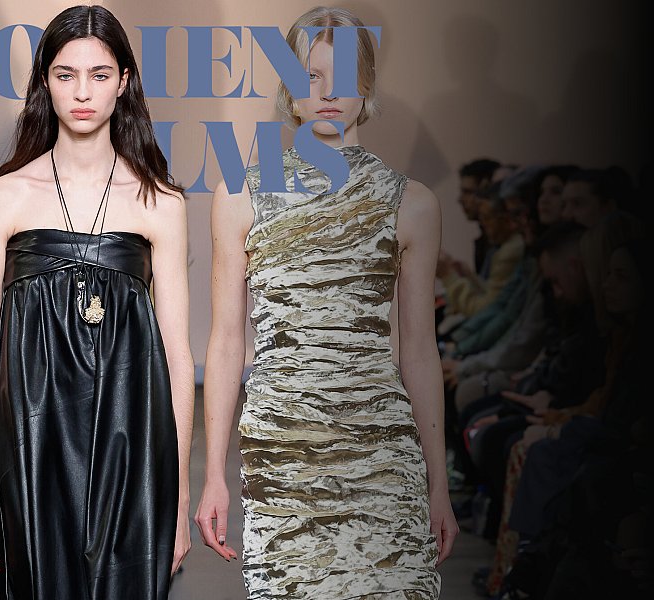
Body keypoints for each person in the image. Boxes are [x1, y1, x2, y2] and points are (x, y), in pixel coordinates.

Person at [195, 7, 457, 598]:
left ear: (367, 88)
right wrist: (213, 475)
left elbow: (420, 350)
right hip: (283, 451)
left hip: (382, 449)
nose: (329, 93)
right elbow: (227, 340)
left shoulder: (412, 204)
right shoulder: (241, 195)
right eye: (311, 76)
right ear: (290, 91)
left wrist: (438, 484)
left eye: (343, 76)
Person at [0, 5, 194, 600]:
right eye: (66, 75)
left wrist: (179, 490)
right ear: (45, 82)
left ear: (124, 82)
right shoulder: (1, 199)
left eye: (99, 74)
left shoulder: (161, 203)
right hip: (33, 444)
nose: (82, 92)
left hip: (134, 443)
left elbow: (177, 357)